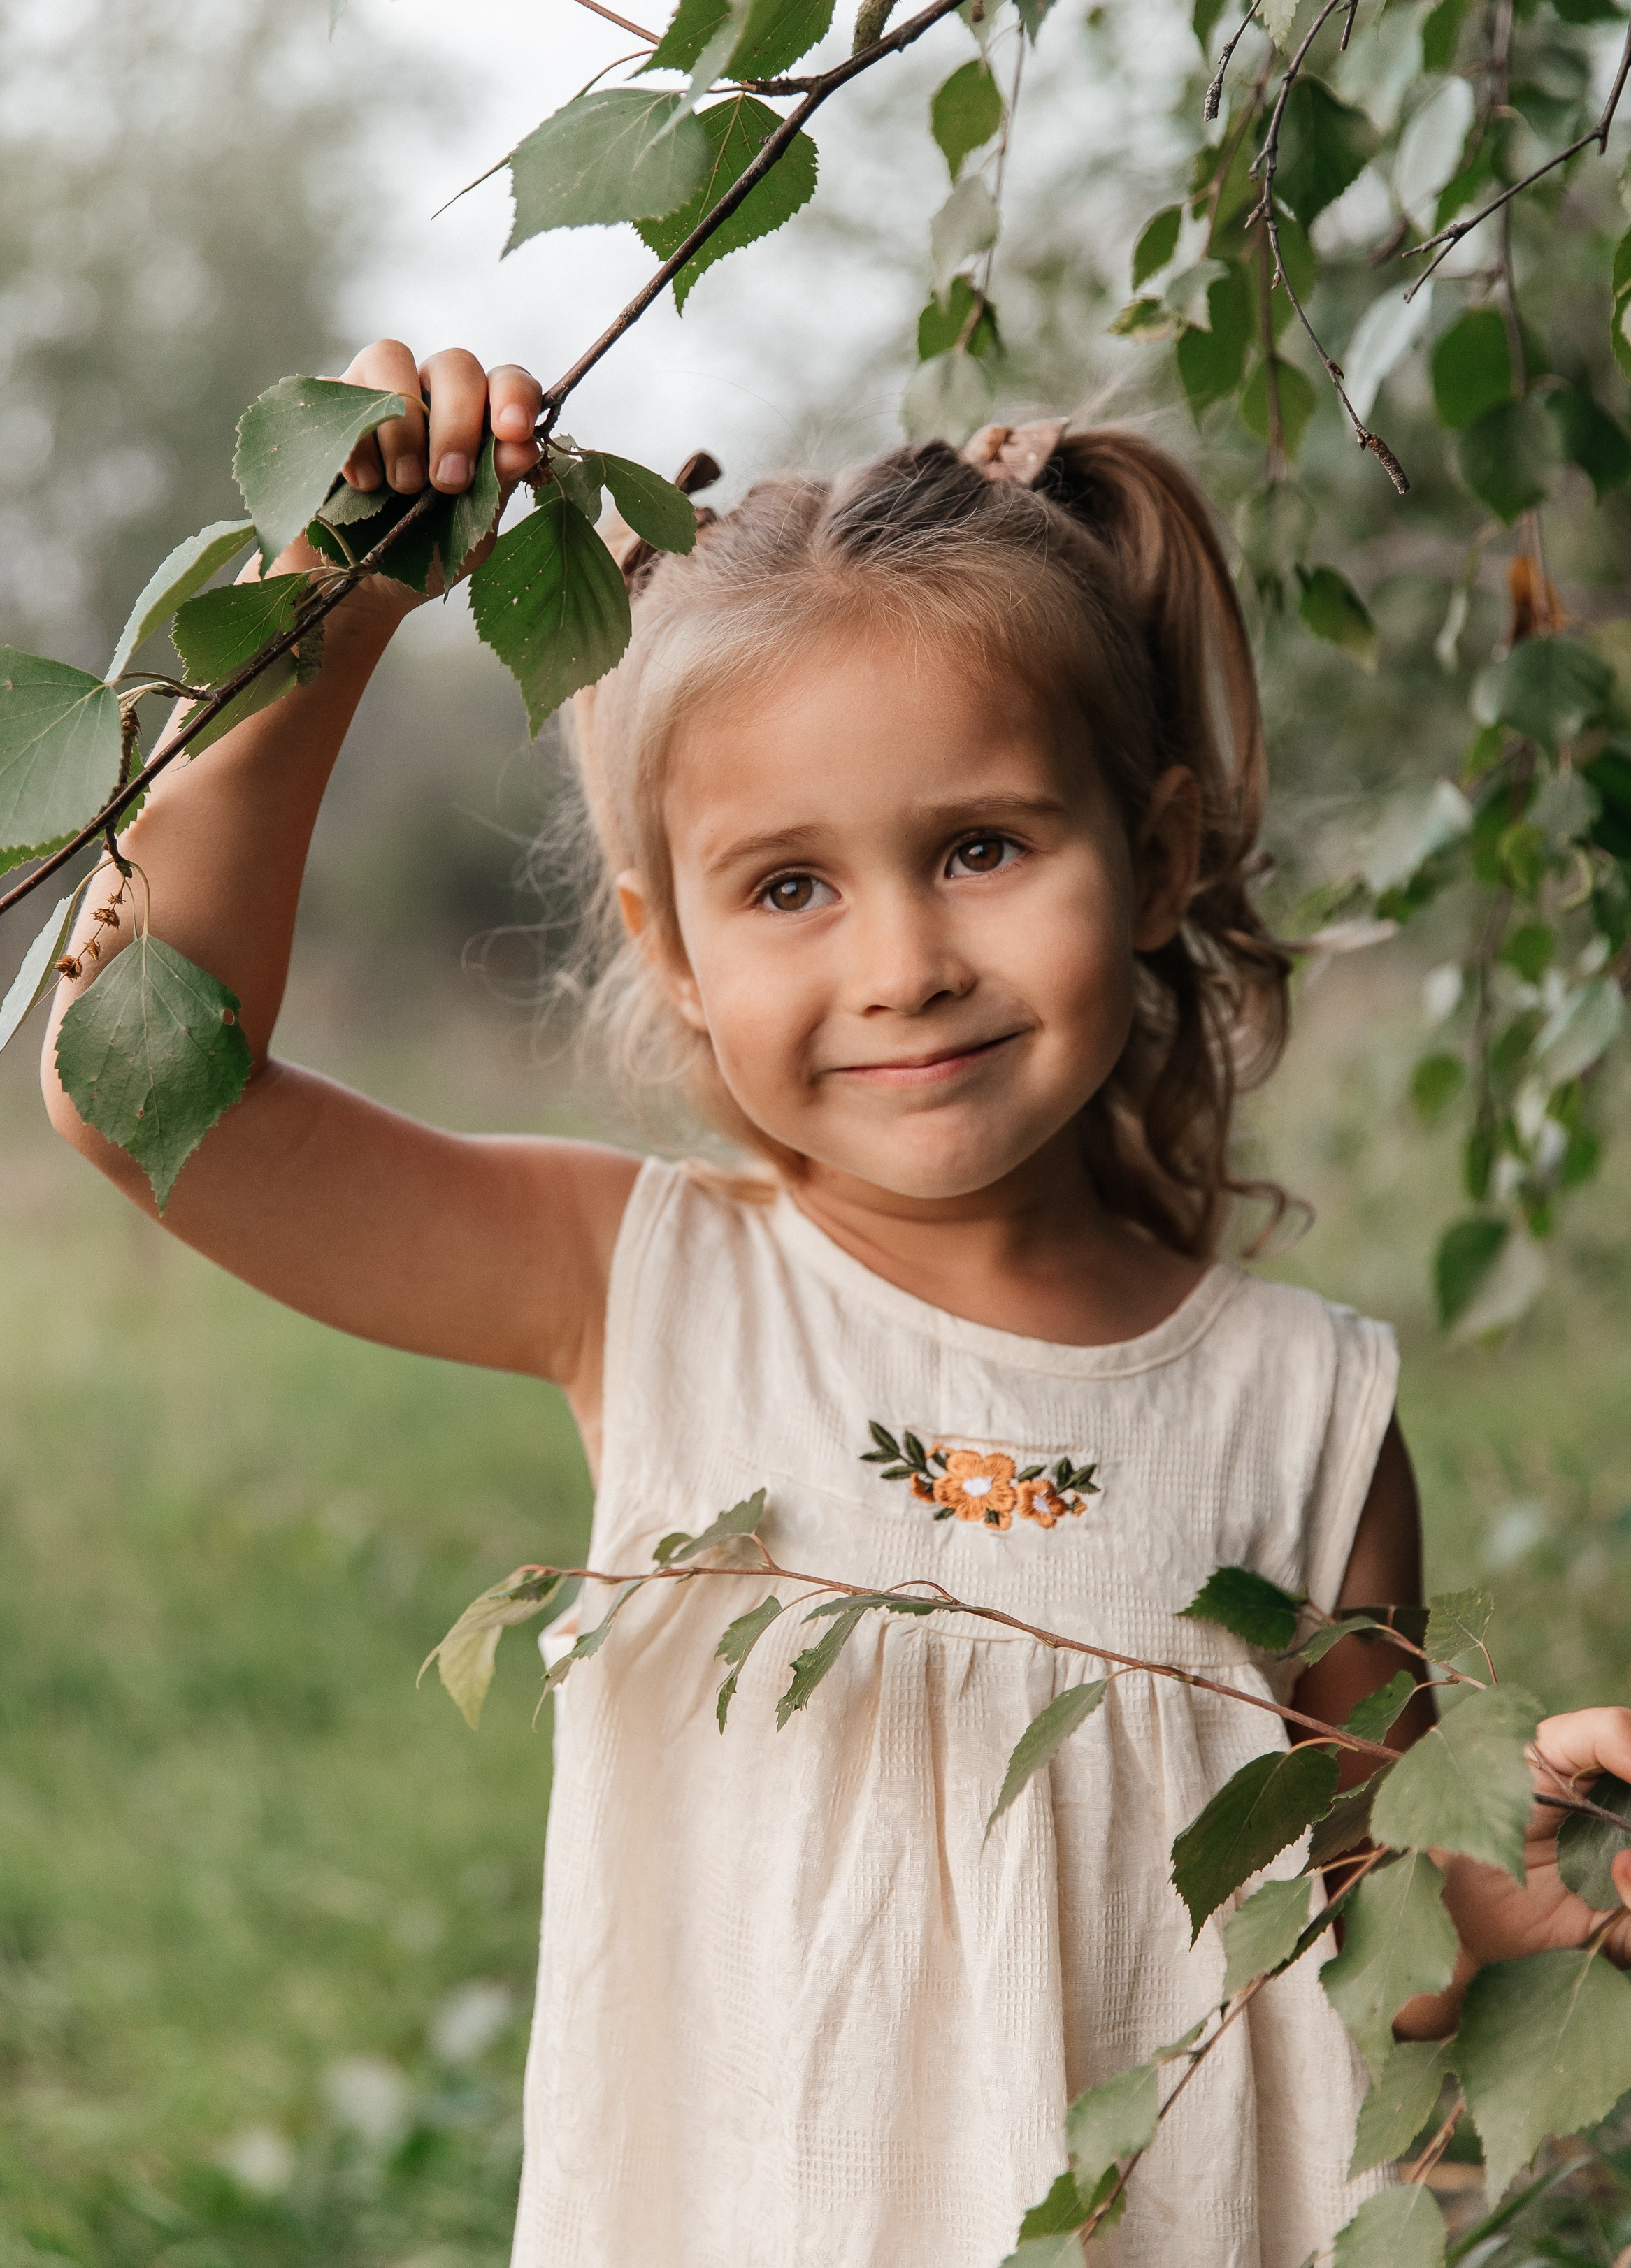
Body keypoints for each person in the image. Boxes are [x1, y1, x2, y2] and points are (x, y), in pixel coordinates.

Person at [41, 340, 1631, 2268]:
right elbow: (152, 1093)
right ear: (672, 946)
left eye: (981, 847)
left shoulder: (1301, 1407)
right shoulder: (645, 1285)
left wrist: (1541, 1886)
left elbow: (1376, 1922)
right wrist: (337, 601)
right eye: (788, 885)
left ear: (1163, 850)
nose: (901, 963)